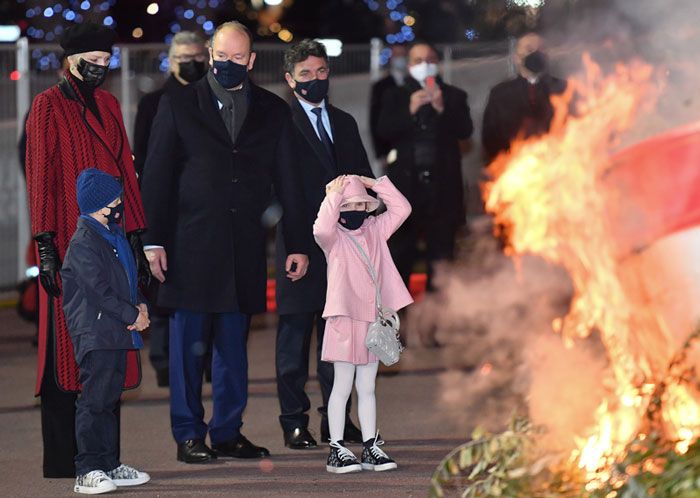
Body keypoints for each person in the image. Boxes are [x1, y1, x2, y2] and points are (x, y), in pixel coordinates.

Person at [140, 21, 309, 463]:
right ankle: (188, 434)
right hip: (188, 247)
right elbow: (156, 176)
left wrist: (297, 243)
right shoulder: (177, 104)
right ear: (211, 54)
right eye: (223, 55)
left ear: (251, 61)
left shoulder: (273, 111)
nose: (229, 64)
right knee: (187, 350)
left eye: (239, 58)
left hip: (243, 249)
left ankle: (228, 432)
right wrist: (152, 241)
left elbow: (288, 181)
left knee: (233, 351)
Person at [24, 23, 149, 478]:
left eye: (105, 62)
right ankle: (67, 461)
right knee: (69, 350)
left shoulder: (110, 104)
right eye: (90, 62)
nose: (99, 70)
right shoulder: (47, 106)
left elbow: (125, 173)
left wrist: (138, 239)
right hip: (69, 239)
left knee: (111, 347)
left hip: (113, 238)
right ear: (69, 61)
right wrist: (46, 247)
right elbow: (40, 178)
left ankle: (107, 460)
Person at [276, 39, 372, 450]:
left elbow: (365, 177)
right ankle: (293, 421)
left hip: (344, 248)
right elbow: (280, 188)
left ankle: (340, 419)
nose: (315, 81)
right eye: (306, 75)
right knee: (294, 338)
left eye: (321, 72)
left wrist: (366, 206)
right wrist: (295, 242)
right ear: (289, 79)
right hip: (298, 245)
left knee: (339, 340)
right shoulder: (281, 124)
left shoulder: (346, 122)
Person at [313, 174, 413, 473]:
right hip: (344, 319)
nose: (356, 209)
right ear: (339, 207)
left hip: (372, 320)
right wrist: (333, 194)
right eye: (350, 204)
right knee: (342, 386)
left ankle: (371, 446)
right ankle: (337, 448)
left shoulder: (375, 230)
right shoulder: (333, 238)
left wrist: (374, 183)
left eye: (361, 204)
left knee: (367, 385)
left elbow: (402, 209)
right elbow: (320, 227)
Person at [61, 169, 151, 495]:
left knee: (110, 401)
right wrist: (131, 314)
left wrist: (140, 306)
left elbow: (126, 279)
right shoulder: (85, 242)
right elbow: (98, 290)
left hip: (114, 330)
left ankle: (110, 464)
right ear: (100, 205)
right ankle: (87, 469)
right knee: (94, 401)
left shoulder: (112, 236)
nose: (119, 204)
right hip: (96, 332)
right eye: (115, 199)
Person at [132, 31, 209, 388]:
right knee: (163, 284)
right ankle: (164, 361)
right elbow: (145, 158)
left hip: (203, 209)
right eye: (184, 58)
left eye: (198, 57)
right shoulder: (153, 103)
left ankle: (202, 357)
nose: (191, 63)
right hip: (166, 207)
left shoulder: (213, 97)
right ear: (172, 59)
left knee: (206, 287)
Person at [376, 42, 473, 291]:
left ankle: (436, 324)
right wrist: (410, 110)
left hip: (443, 191)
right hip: (406, 191)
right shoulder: (394, 95)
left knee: (441, 260)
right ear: (409, 66)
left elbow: (465, 130)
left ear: (438, 64)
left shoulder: (454, 95)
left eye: (429, 59)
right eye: (418, 60)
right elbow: (383, 131)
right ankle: (397, 323)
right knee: (400, 258)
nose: (425, 65)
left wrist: (442, 108)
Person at [481, 32, 567, 160]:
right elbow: (490, 136)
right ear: (516, 57)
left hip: (556, 166)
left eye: (541, 49)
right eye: (529, 49)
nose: (536, 53)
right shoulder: (500, 94)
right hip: (514, 169)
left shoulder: (563, 88)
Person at [369, 44, 408, 164]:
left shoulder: (413, 83)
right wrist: (381, 152)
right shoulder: (381, 86)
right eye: (397, 55)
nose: (400, 58)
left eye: (402, 55)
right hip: (390, 147)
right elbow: (375, 118)